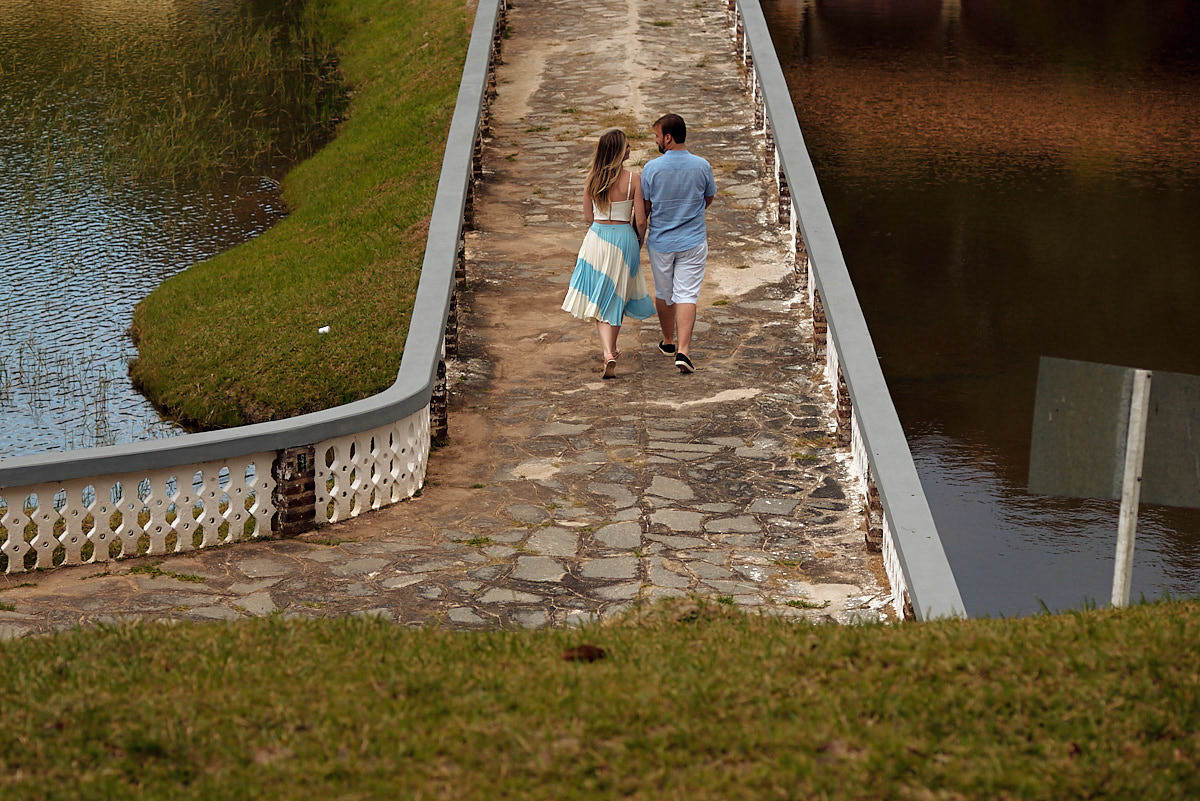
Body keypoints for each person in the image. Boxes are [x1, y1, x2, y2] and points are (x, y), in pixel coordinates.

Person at [561, 128, 655, 378]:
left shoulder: (592, 178)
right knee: (617, 296)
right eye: (627, 146)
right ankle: (610, 350)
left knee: (600, 294)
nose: (630, 150)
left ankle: (608, 352)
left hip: (598, 237)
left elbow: (588, 216)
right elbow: (642, 219)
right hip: (625, 238)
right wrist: (638, 241)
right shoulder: (634, 179)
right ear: (617, 152)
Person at [641, 113, 717, 374]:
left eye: (657, 136)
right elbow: (708, 198)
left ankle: (669, 341)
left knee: (664, 293)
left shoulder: (651, 169)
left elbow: (647, 207)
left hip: (662, 241)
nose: (656, 140)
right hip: (693, 240)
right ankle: (684, 350)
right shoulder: (702, 166)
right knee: (687, 294)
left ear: (668, 138)